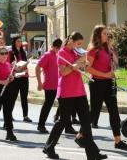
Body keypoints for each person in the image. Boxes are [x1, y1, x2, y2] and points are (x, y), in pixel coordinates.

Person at [43, 32, 106, 160]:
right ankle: (49, 147)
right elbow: (64, 72)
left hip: (79, 91)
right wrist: (77, 63)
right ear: (71, 40)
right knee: (63, 121)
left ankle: (92, 153)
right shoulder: (62, 53)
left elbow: (82, 66)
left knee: (86, 122)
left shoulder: (76, 52)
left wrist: (83, 64)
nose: (80, 46)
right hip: (66, 92)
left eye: (81, 44)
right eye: (78, 43)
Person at [86, 25, 127, 150]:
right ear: (98, 35)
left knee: (114, 112)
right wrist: (104, 74)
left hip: (110, 82)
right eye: (105, 33)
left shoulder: (109, 49)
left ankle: (118, 141)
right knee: (94, 112)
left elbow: (115, 65)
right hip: (97, 83)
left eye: (108, 34)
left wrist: (111, 50)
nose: (108, 35)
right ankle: (80, 135)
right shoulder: (93, 50)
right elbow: (88, 68)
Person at [36, 38, 62, 133]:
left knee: (63, 105)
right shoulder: (47, 55)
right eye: (57, 48)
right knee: (47, 105)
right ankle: (41, 125)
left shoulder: (56, 55)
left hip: (58, 85)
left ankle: (65, 125)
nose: (58, 50)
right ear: (54, 47)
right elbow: (37, 67)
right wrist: (39, 82)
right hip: (49, 85)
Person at [9, 36, 32, 122]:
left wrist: (25, 65)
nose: (20, 43)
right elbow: (10, 65)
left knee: (24, 97)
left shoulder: (23, 52)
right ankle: (9, 114)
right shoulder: (11, 52)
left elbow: (25, 63)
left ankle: (25, 116)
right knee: (13, 97)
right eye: (18, 41)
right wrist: (16, 68)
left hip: (24, 77)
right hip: (16, 77)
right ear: (14, 42)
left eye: (20, 41)